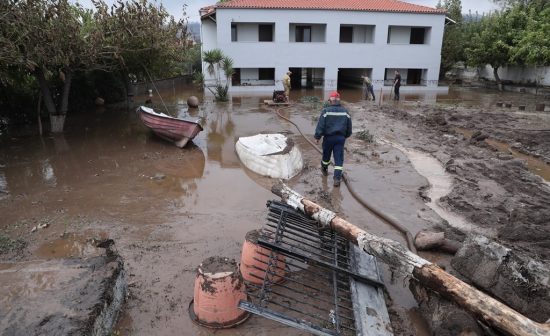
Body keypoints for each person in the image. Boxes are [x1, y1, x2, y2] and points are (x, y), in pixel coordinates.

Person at [314, 91, 352, 187]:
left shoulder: (326, 111)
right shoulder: (345, 112)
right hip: (340, 139)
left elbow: (320, 126)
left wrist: (317, 137)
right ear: (339, 101)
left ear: (330, 101)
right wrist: (344, 136)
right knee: (339, 159)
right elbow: (349, 128)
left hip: (328, 138)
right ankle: (337, 179)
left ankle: (324, 169)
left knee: (326, 156)